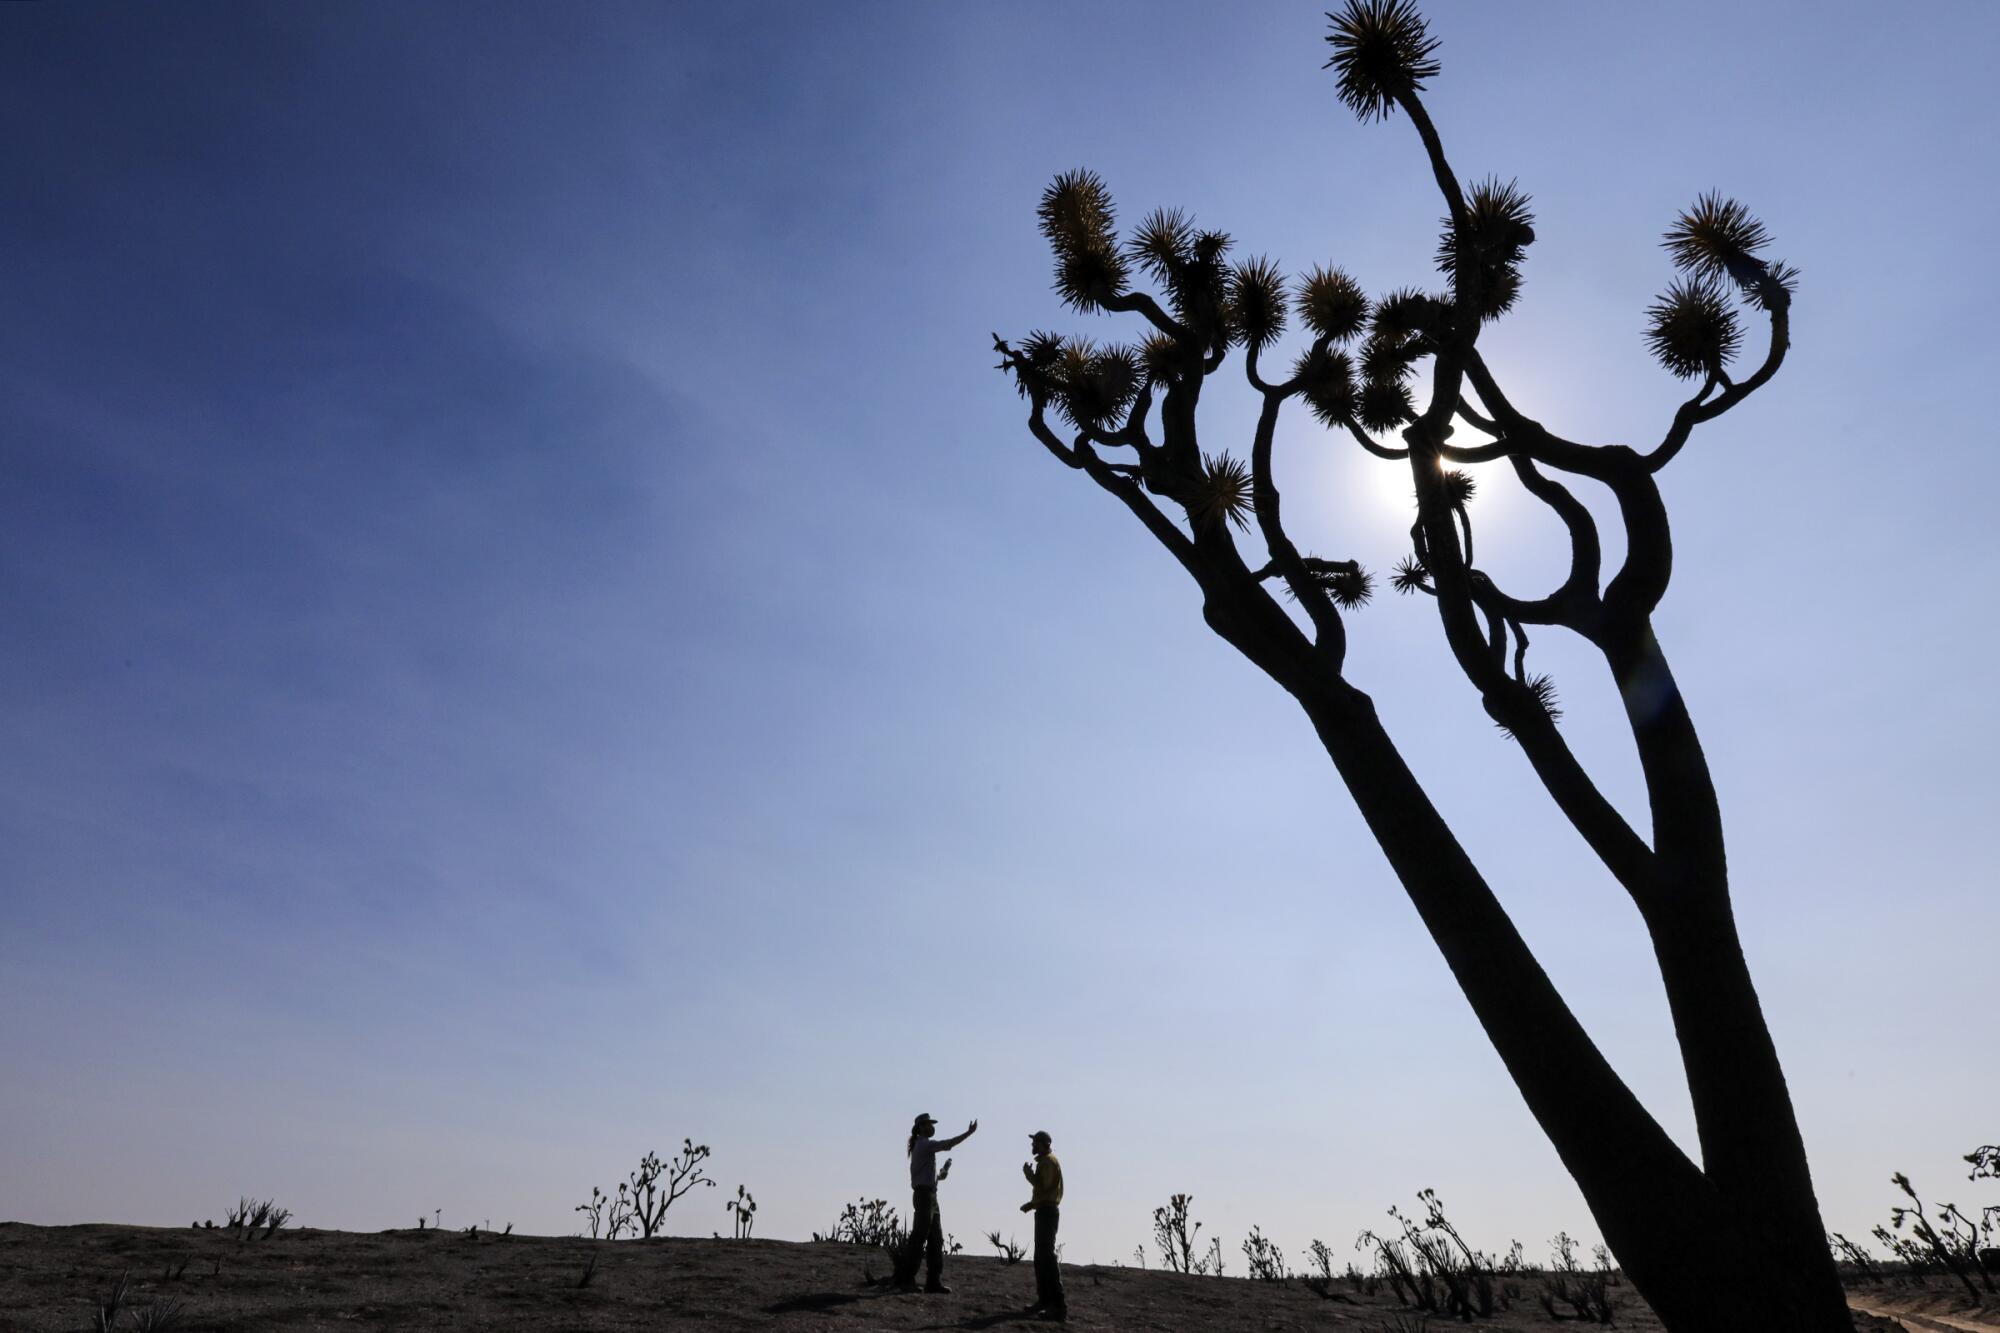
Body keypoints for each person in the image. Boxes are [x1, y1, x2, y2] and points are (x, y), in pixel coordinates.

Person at [895, 1112, 976, 1293]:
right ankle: (907, 1279)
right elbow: (947, 1144)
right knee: (920, 1237)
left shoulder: (922, 1145)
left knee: (935, 1239)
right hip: (925, 1196)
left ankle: (933, 1282)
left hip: (930, 1196)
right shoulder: (924, 1145)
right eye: (927, 1124)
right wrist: (968, 1133)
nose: (931, 1127)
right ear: (920, 1128)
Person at [1019, 1129, 1066, 1321]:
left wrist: (1028, 1175)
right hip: (1044, 1211)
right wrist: (1032, 1205)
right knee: (1041, 1257)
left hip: (1047, 1212)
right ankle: (1045, 1300)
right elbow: (1045, 1190)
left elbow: (1043, 1187)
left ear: (1044, 1144)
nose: (1032, 1146)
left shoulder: (1047, 1162)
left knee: (1046, 1257)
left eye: (1035, 1143)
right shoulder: (1047, 1161)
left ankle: (1057, 1305)